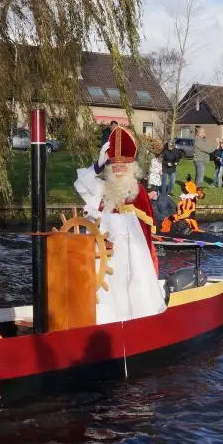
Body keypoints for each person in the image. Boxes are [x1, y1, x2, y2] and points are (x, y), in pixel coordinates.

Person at [74, 126, 166, 324]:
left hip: (128, 258)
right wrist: (96, 167)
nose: (117, 170)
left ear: (132, 167)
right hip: (102, 256)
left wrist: (96, 215)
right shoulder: (103, 188)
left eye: (122, 166)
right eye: (113, 166)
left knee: (124, 296)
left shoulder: (138, 192)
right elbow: (80, 185)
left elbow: (132, 227)